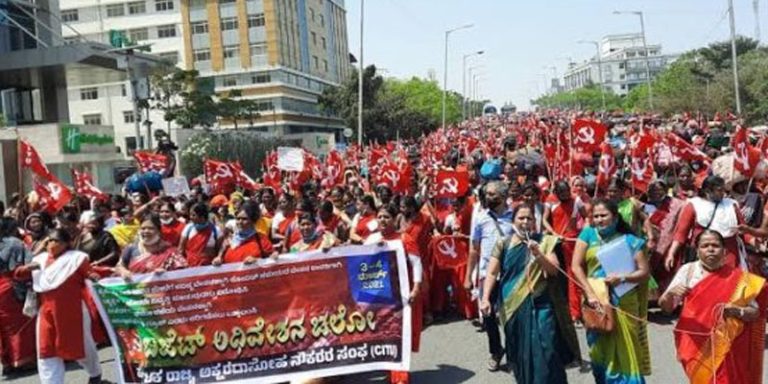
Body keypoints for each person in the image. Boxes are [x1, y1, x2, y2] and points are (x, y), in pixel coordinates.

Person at [480, 205, 579, 384]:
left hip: (542, 306)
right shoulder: (504, 243)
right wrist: (486, 298)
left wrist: (538, 254)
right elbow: (492, 273)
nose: (525, 222)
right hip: (512, 307)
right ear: (513, 221)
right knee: (520, 355)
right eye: (521, 218)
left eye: (529, 219)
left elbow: (553, 271)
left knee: (547, 351)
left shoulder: (545, 241)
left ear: (535, 222)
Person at [659, 230, 768, 384]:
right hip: (694, 345)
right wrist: (668, 296)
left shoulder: (739, 277)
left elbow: (755, 312)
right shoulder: (688, 272)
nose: (710, 249)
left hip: (727, 346)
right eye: (705, 246)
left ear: (724, 251)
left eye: (715, 245)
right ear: (697, 251)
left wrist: (738, 311)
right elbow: (666, 308)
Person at [572, 198, 651, 384]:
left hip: (624, 301)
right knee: (598, 352)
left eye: (603, 215)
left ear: (615, 218)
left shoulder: (631, 241)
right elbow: (576, 266)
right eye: (595, 216)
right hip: (596, 301)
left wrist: (622, 278)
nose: (599, 219)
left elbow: (644, 272)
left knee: (626, 350)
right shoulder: (587, 235)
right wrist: (590, 293)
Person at [13, 229, 104, 384]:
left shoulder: (76, 259)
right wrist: (26, 269)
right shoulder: (40, 259)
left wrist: (93, 276)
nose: (50, 244)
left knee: (81, 346)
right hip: (46, 312)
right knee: (46, 349)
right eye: (48, 241)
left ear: (66, 243)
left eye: (55, 241)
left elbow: (89, 273)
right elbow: (18, 274)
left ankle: (95, 374)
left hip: (72, 311)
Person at [364, 204, 422, 384]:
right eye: (380, 216)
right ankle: (391, 372)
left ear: (394, 219)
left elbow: (416, 263)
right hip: (379, 296)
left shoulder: (404, 239)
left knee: (398, 335)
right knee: (384, 336)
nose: (382, 220)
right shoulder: (371, 239)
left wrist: (416, 288)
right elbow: (358, 260)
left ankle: (400, 378)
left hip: (400, 295)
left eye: (386, 217)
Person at [466, 181, 516, 372]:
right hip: (487, 274)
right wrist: (468, 276)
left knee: (511, 316)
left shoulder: (515, 217)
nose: (488, 197)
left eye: (493, 194)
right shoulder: (480, 218)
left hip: (511, 274)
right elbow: (474, 249)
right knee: (487, 314)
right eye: (487, 194)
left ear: (503, 196)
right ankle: (496, 351)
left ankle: (514, 351)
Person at [667, 176, 744, 271]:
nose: (723, 194)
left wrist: (754, 239)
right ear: (708, 191)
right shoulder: (694, 205)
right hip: (703, 254)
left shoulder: (732, 205)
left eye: (723, 190)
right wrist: (671, 253)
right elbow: (681, 233)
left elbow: (744, 229)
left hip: (730, 254)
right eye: (719, 190)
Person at [543, 180, 589, 324]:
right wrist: (553, 233)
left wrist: (584, 232)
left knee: (573, 277)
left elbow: (586, 217)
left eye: (567, 192)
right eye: (561, 193)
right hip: (555, 242)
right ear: (556, 193)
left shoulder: (577, 200)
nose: (565, 195)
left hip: (571, 243)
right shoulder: (550, 201)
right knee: (556, 277)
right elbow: (544, 220)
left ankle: (575, 313)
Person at [0, 217, 35, 374]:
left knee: (8, 325)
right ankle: (20, 359)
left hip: (8, 287)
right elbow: (28, 263)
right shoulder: (15, 242)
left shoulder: (13, 243)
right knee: (15, 325)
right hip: (9, 286)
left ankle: (9, 361)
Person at [642, 180, 686, 295]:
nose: (656, 193)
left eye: (659, 190)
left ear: (666, 190)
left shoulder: (676, 205)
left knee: (668, 274)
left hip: (668, 246)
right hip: (648, 247)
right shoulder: (642, 205)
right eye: (653, 190)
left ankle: (667, 300)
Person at [115, 214, 187, 277]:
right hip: (136, 290)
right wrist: (123, 272)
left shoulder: (170, 251)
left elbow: (183, 273)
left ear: (158, 231)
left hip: (161, 289)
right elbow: (119, 266)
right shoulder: (131, 248)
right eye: (143, 228)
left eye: (150, 228)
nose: (146, 231)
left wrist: (167, 274)